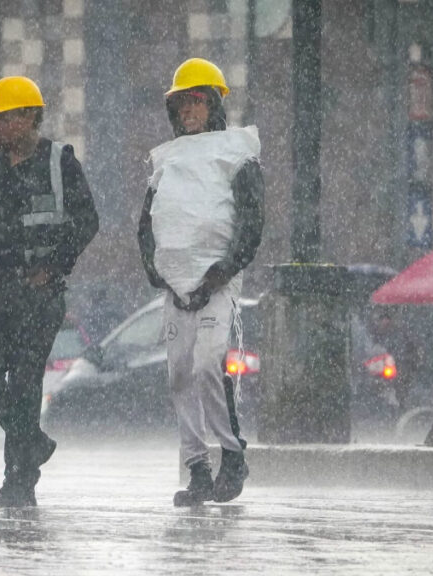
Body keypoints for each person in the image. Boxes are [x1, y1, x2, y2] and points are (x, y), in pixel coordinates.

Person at [0, 75, 99, 508]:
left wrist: (54, 267)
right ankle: (31, 442)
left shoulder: (60, 161)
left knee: (23, 385)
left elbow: (87, 221)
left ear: (28, 117)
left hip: (38, 295)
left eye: (3, 119)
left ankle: (19, 482)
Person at [137, 58, 265, 507]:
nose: (188, 111)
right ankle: (196, 469)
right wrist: (160, 273)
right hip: (176, 285)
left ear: (213, 105)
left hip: (218, 282)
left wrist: (222, 270)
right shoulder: (165, 162)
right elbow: (147, 226)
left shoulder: (238, 154)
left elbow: (251, 224)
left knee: (210, 363)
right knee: (179, 374)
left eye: (196, 101)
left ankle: (232, 455)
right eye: (181, 104)